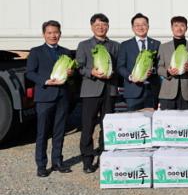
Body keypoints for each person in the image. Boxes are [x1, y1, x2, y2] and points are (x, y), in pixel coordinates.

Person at [25, 20, 74, 177]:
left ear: (60, 34)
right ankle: (41, 165)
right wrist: (45, 81)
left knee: (59, 131)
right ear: (44, 34)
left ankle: (57, 161)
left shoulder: (66, 52)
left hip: (62, 96)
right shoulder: (36, 52)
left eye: (56, 32)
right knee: (42, 132)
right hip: (45, 96)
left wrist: (71, 73)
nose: (53, 35)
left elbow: (71, 76)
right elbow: (30, 73)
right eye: (50, 33)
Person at [75, 13, 119, 173]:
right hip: (90, 91)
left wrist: (112, 73)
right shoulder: (84, 45)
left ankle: (105, 156)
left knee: (107, 126)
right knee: (88, 126)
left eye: (104, 25)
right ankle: (87, 160)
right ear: (92, 27)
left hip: (109, 89)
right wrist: (91, 72)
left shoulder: (115, 46)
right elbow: (79, 67)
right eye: (97, 25)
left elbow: (119, 66)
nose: (101, 27)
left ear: (108, 26)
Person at [116, 13, 161, 111]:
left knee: (152, 118)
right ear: (132, 28)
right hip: (133, 91)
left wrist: (152, 71)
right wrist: (130, 77)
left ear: (148, 26)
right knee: (133, 119)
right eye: (137, 25)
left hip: (152, 90)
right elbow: (120, 66)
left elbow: (160, 65)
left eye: (143, 24)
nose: (141, 27)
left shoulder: (156, 44)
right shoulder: (125, 45)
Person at [157, 16, 188, 110]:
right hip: (168, 92)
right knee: (166, 119)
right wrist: (168, 72)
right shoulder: (163, 47)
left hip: (187, 93)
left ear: (186, 28)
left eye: (182, 25)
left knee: (187, 119)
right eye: (176, 25)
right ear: (172, 28)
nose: (179, 28)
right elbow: (159, 67)